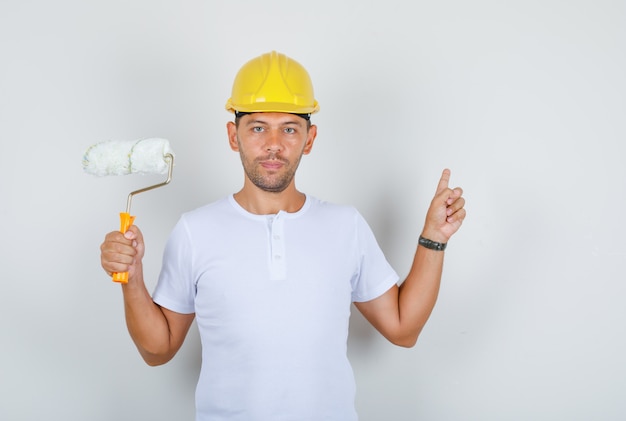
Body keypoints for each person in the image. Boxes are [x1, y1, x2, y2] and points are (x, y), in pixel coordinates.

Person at [100, 50, 466, 421]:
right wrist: (131, 281)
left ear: (309, 138)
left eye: (289, 128)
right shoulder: (195, 231)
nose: (273, 143)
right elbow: (157, 350)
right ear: (233, 135)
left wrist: (434, 237)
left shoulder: (346, 226)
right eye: (258, 127)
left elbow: (403, 329)